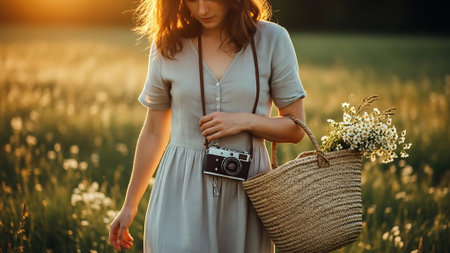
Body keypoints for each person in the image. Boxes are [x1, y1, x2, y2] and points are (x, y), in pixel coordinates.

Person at [108, 0, 306, 252]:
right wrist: (129, 205)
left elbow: (296, 128)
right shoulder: (167, 44)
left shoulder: (272, 39)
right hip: (181, 190)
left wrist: (245, 120)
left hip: (248, 192)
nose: (201, 9)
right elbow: (154, 131)